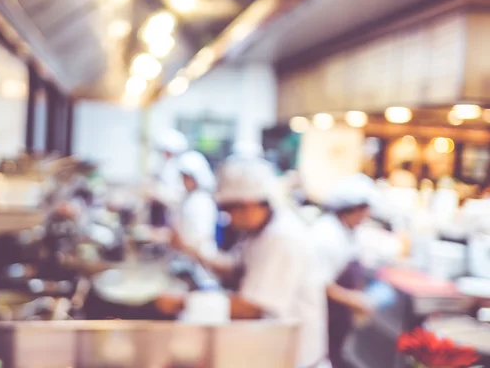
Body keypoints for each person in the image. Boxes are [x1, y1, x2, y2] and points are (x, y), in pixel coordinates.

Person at [158, 157, 329, 368]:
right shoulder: (256, 232)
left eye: (229, 210)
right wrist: (189, 249)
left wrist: (182, 302)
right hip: (267, 348)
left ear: (249, 205)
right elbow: (234, 269)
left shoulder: (281, 238)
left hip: (295, 360)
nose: (228, 217)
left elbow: (252, 307)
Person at [311, 174, 377, 368]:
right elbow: (319, 284)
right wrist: (354, 300)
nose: (367, 216)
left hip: (338, 318)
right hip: (323, 316)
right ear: (354, 209)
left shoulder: (348, 230)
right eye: (365, 210)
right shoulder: (326, 235)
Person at [173, 150, 218, 257]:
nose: (184, 181)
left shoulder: (201, 201)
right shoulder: (190, 198)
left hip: (201, 258)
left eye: (187, 178)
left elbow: (200, 237)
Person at [147, 128, 189, 227]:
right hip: (160, 212)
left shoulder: (181, 167)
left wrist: (157, 194)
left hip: (175, 215)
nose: (164, 155)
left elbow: (178, 196)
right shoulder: (162, 165)